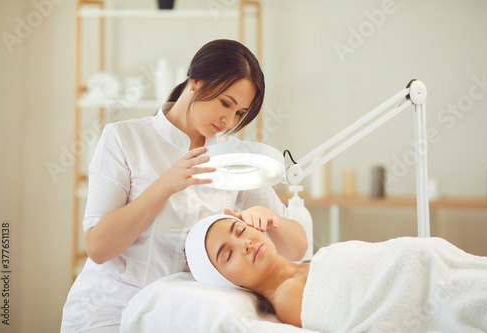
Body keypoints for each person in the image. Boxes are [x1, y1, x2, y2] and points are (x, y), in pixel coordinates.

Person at [61, 39, 307, 333]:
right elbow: (98, 248)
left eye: (240, 113)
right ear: (195, 82)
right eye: (225, 103)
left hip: (180, 315)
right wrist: (165, 185)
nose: (228, 120)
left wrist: (269, 218)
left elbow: (296, 249)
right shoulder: (123, 139)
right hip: (111, 311)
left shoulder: (232, 156)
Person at [185, 214, 487, 332]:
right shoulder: (288, 297)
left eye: (240, 230)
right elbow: (375, 311)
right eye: (227, 254)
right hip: (430, 288)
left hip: (439, 263)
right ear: (228, 281)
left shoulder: (309, 263)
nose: (245, 243)